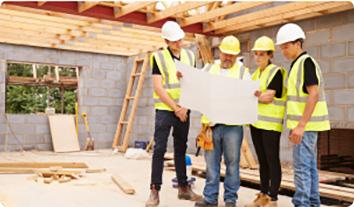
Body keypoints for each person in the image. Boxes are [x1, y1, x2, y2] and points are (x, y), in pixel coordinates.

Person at [145, 21, 202, 207]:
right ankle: (154, 190)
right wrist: (175, 108)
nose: (179, 43)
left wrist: (184, 107)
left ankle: (183, 188)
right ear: (166, 41)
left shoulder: (190, 56)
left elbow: (193, 83)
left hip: (183, 109)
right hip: (165, 109)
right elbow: (158, 87)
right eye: (174, 41)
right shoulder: (158, 57)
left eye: (180, 39)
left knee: (180, 148)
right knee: (159, 149)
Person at [276, 23, 330, 207]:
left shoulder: (305, 63)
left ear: (298, 44)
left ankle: (302, 204)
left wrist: (300, 126)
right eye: (281, 47)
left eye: (286, 46)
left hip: (305, 127)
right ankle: (313, 203)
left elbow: (313, 94)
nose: (283, 51)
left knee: (301, 168)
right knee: (309, 167)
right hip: (306, 126)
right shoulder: (298, 64)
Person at [195, 35, 250, 207]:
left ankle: (230, 199)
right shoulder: (209, 68)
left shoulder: (243, 72)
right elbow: (195, 82)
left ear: (236, 55)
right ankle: (210, 199)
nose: (228, 58)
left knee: (232, 164)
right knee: (211, 164)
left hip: (232, 127)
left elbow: (249, 95)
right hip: (211, 126)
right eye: (226, 54)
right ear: (220, 52)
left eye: (232, 55)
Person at [245, 36, 287, 207]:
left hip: (271, 124)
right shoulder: (255, 74)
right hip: (256, 123)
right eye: (256, 54)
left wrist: (257, 96)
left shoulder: (276, 72)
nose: (258, 57)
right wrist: (257, 96)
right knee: (262, 160)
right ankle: (263, 194)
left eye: (262, 54)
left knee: (272, 159)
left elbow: (268, 97)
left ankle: (273, 199)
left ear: (270, 55)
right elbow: (251, 96)